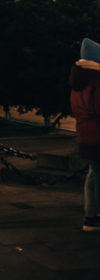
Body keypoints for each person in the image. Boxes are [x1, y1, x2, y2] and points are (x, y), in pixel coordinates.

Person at [70, 36, 100, 232]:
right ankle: (95, 217)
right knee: (98, 176)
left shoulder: (77, 83)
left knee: (93, 175)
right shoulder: (96, 82)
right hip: (98, 137)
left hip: (85, 137)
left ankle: (90, 216)